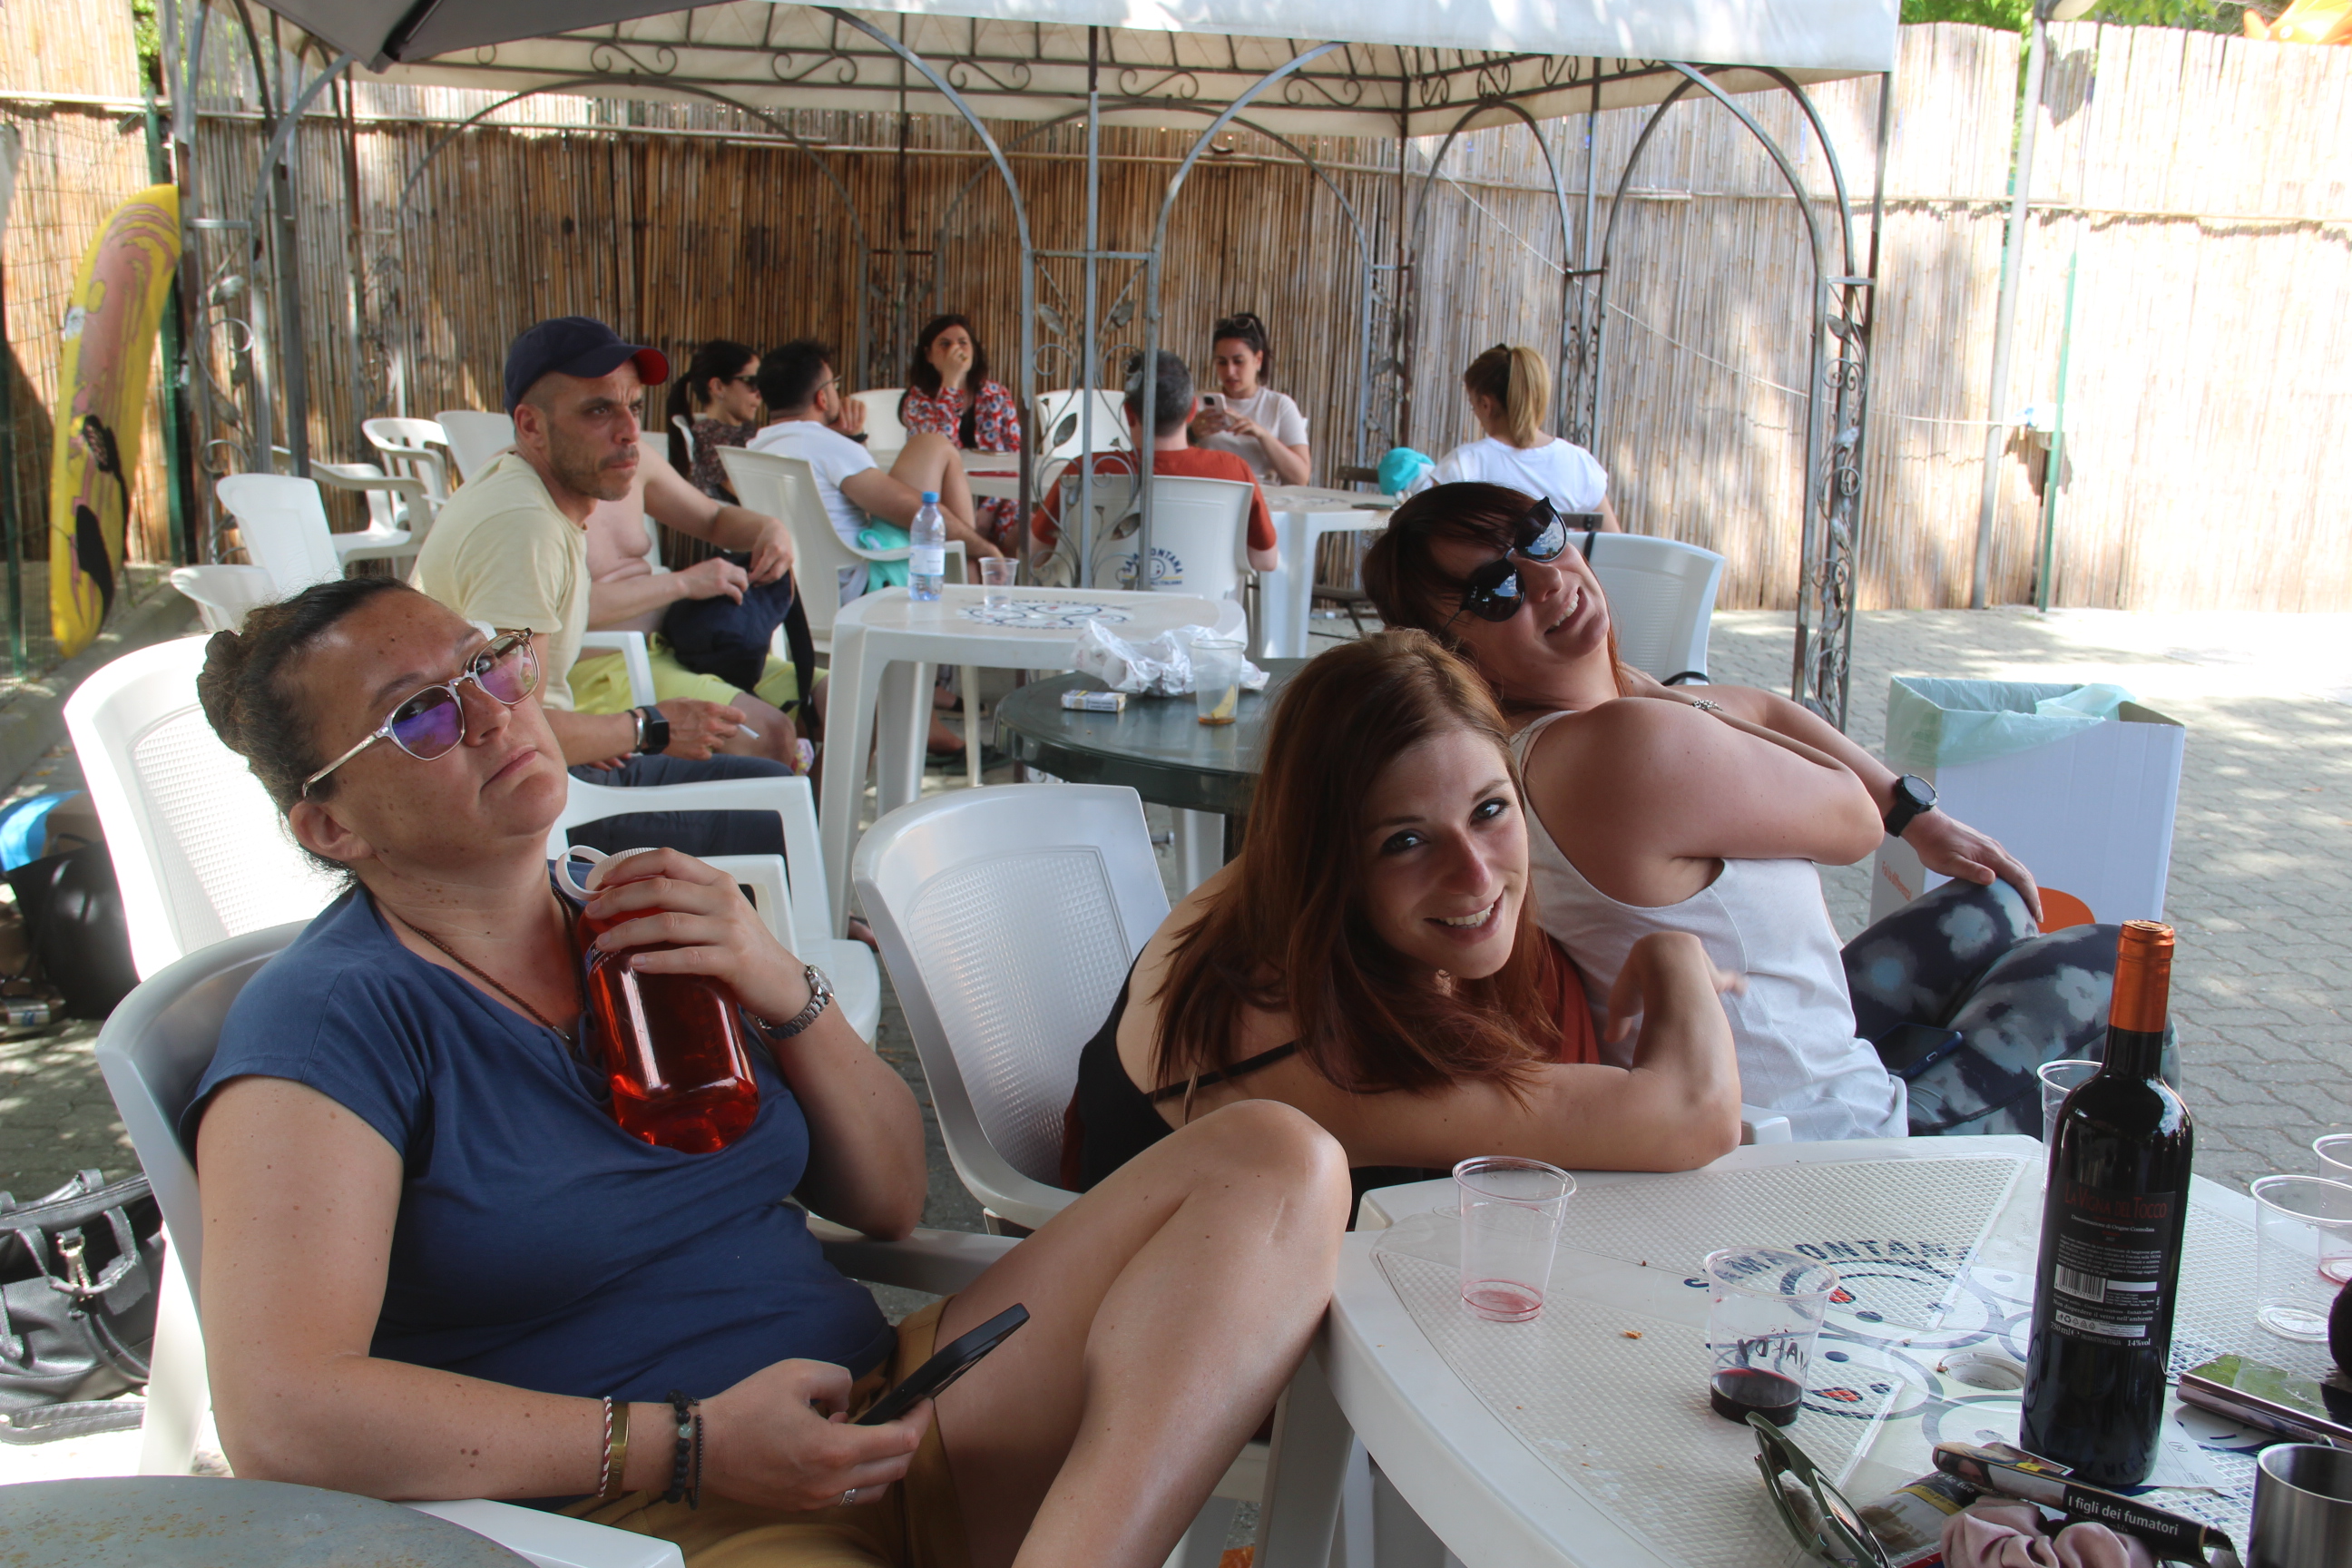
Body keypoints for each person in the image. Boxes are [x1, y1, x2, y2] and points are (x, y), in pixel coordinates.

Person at [188, 576, 1350, 1568]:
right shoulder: (334, 1021)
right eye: (422, 718)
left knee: (1275, 1160)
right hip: (662, 1516)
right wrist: (684, 1445)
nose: (495, 713)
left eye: (489, 664)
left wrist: (779, 980)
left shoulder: (633, 916)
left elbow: (889, 1197)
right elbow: (284, 1414)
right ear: (329, 828)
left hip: (893, 1409)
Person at [1365, 483, 2151, 1141]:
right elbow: (1854, 823)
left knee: (1992, 905)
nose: (1546, 579)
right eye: (1495, 591)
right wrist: (1655, 695)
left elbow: (1764, 710)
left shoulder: (1565, 734)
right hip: (1818, 1137)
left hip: (1784, 1048)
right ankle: (2116, 1233)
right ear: (1455, 654)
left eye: (1539, 536)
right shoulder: (1618, 747)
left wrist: (1921, 817)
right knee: (2120, 965)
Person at [1066, 631, 1743, 1197]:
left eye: (1489, 809)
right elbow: (1696, 1116)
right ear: (1330, 858)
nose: (1476, 874)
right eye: (1406, 842)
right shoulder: (1325, 1056)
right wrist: (1674, 953)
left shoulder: (1274, 886)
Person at [409, 316, 801, 859]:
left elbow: (525, 710)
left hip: (546, 764)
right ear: (531, 425)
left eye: (633, 407)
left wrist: (608, 734)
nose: (629, 431)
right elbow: (510, 728)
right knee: (776, 814)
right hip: (517, 808)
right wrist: (646, 727)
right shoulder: (524, 527)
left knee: (774, 786)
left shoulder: (539, 497)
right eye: (598, 410)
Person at [581, 468, 813, 776]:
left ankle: (812, 806)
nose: (628, 439)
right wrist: (684, 583)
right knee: (769, 733)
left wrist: (769, 529)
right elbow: (558, 606)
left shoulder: (631, 456)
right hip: (602, 666)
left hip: (679, 645)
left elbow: (713, 518)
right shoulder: (536, 485)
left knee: (847, 700)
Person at [747, 339, 1003, 611]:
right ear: (822, 398)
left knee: (930, 447)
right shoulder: (826, 445)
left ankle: (971, 574)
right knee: (934, 447)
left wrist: (852, 439)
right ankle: (975, 584)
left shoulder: (755, 449)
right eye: (834, 385)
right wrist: (986, 549)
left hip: (796, 593)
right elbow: (912, 510)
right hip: (862, 591)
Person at [1026, 351, 1281, 579]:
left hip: (1106, 614)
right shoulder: (1233, 471)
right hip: (1199, 615)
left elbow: (1035, 554)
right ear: (1192, 410)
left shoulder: (1086, 470)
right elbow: (1265, 560)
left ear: (1128, 413)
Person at [1432, 345, 1622, 531]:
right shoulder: (1579, 463)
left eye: (1473, 405)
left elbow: (1426, 540)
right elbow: (1614, 542)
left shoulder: (1462, 465)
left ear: (1485, 405)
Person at [897, 315, 1021, 547]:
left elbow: (1015, 456)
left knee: (1029, 531)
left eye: (963, 343)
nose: (956, 350)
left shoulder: (996, 395)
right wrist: (951, 382)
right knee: (961, 535)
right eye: (945, 344)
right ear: (928, 355)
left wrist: (988, 509)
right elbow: (937, 444)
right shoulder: (917, 400)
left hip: (998, 502)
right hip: (943, 502)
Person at [1190, 311, 1311, 487]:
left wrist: (1262, 435)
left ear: (1258, 360)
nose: (1230, 371)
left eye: (1238, 361)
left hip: (1263, 496)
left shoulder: (1279, 405)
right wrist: (1192, 435)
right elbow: (1166, 458)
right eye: (1222, 362)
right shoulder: (1196, 401)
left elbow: (1300, 478)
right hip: (1208, 493)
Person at [664, 338, 762, 502]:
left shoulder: (740, 431)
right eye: (752, 382)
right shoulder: (711, 439)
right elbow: (755, 495)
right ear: (718, 387)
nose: (760, 393)